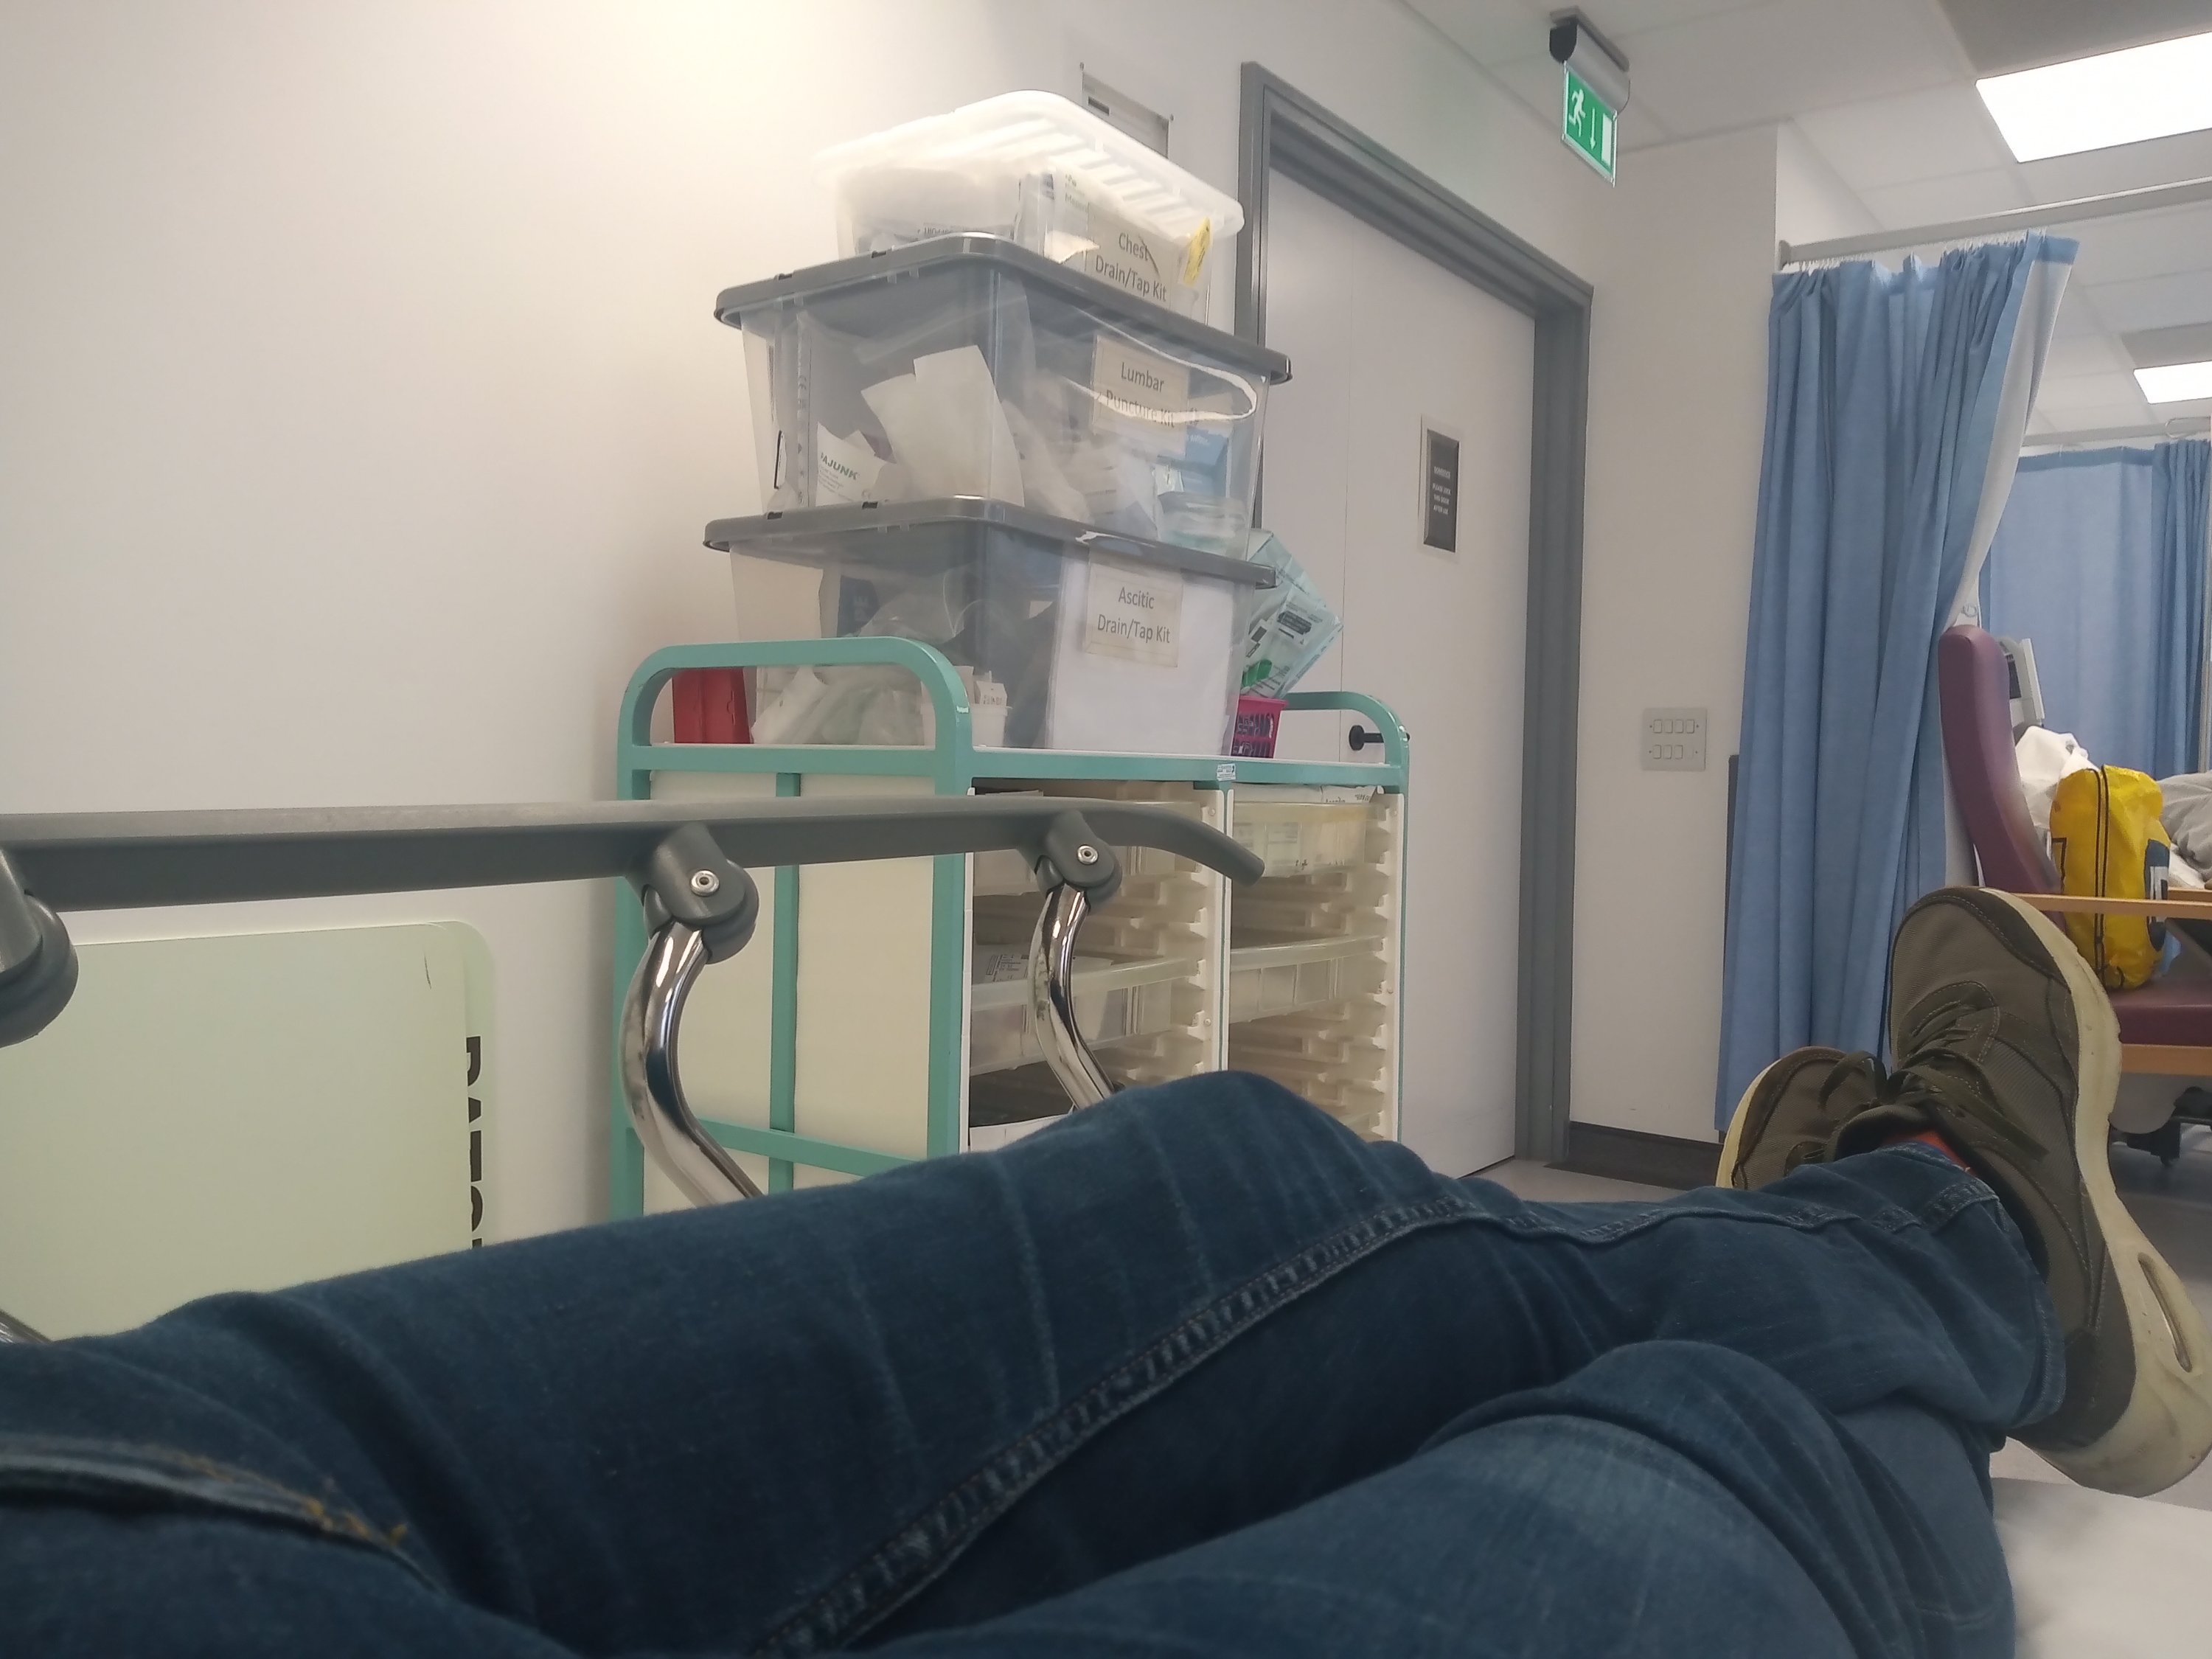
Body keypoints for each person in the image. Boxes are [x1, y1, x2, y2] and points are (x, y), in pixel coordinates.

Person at [3, 887, 2209, 1658]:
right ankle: (1944, 1245)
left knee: (1247, 1176)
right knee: (1662, 1445)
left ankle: (1909, 1242)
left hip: (83, 1480)